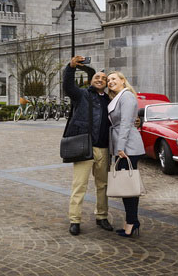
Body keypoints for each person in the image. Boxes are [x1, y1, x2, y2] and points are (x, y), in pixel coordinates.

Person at [63, 55, 113, 236]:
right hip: (85, 146)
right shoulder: (82, 95)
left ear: (107, 83)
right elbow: (68, 87)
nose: (100, 80)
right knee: (79, 185)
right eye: (97, 78)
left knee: (103, 185)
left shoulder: (110, 100)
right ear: (91, 81)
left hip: (104, 148)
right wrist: (70, 68)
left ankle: (102, 216)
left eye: (103, 78)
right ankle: (75, 220)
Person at [106, 71, 145, 238]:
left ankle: (132, 222)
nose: (110, 81)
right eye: (108, 80)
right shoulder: (118, 97)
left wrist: (120, 148)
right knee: (126, 187)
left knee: (128, 187)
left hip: (127, 147)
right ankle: (132, 220)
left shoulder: (127, 96)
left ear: (123, 81)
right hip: (123, 146)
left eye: (113, 78)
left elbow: (126, 123)